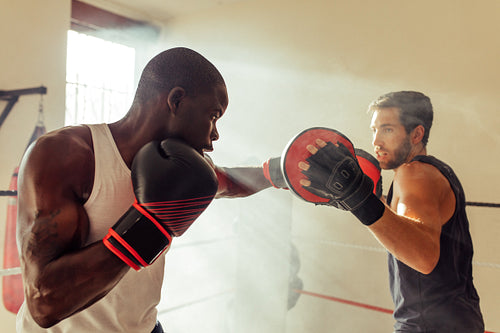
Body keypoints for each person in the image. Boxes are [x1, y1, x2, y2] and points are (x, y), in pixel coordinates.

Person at [16, 47, 272, 332]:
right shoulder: (66, 155)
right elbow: (43, 302)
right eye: (213, 116)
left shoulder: (184, 167)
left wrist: (281, 172)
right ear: (176, 100)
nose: (214, 136)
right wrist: (150, 226)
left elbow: (229, 183)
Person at [298, 91, 484, 332]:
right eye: (374, 130)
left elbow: (424, 257)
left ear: (417, 134)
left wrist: (360, 200)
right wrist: (370, 200)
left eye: (387, 130)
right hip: (458, 321)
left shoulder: (413, 174)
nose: (376, 141)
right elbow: (408, 227)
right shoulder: (435, 173)